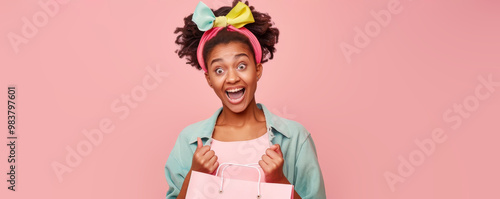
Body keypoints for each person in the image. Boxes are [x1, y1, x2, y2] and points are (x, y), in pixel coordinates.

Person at [165, 1, 326, 198]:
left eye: (241, 66)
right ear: (209, 79)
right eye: (219, 70)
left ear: (257, 69)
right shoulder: (189, 141)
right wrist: (195, 175)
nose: (232, 78)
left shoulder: (295, 138)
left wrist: (279, 182)